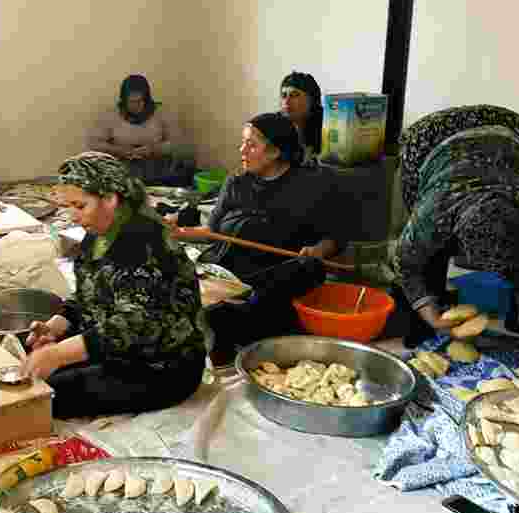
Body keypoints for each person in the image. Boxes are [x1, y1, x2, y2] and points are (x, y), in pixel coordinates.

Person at [23, 152, 206, 419]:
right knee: (28, 359)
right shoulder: (99, 233)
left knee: (43, 396)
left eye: (80, 205)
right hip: (115, 345)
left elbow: (135, 324)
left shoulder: (144, 242)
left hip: (162, 366)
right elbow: (89, 293)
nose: (73, 216)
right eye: (68, 206)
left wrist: (59, 354)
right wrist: (55, 326)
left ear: (110, 198)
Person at [392, 105, 519, 369]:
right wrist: (432, 316)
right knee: (428, 254)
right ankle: (429, 315)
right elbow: (407, 262)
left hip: (514, 135)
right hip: (433, 138)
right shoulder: (436, 211)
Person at [175, 112, 346, 366]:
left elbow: (337, 238)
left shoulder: (311, 186)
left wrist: (318, 249)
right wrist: (177, 232)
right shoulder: (236, 183)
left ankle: (239, 324)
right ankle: (231, 324)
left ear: (275, 152)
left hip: (277, 274)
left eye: (251, 144)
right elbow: (212, 233)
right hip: (232, 273)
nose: (241, 149)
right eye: (243, 142)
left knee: (307, 270)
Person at [88, 74, 191, 184]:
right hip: (122, 172)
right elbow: (95, 144)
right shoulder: (111, 115)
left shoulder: (162, 113)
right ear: (124, 100)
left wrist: (153, 149)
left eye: (140, 101)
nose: (136, 106)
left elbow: (177, 143)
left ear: (147, 99)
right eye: (132, 102)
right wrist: (120, 150)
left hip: (158, 170)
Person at [279, 71, 324, 168]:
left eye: (294, 95)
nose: (286, 101)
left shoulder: (327, 127)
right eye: (283, 96)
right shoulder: (273, 127)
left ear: (312, 100)